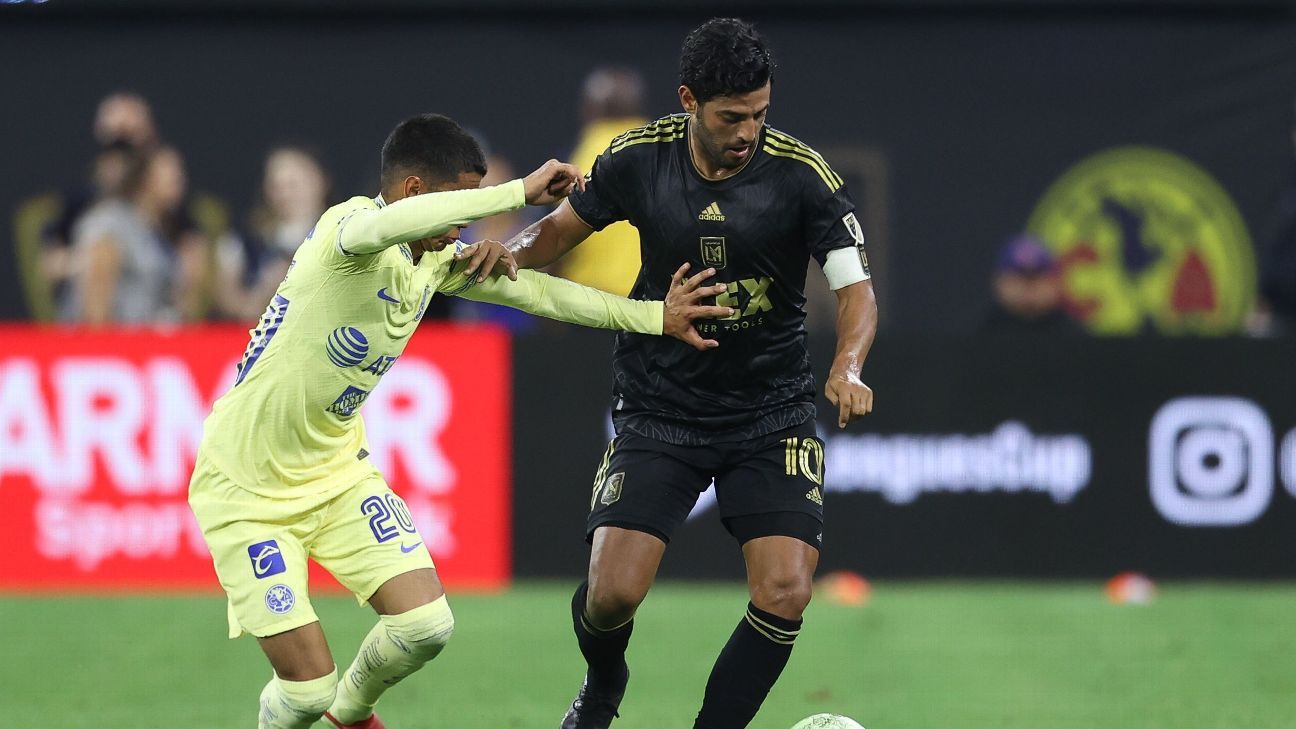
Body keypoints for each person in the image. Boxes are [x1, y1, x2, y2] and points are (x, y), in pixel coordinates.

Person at [187, 113, 731, 729]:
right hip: (245, 488)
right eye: (460, 207)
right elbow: (390, 225)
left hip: (334, 472)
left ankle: (351, 716)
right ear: (415, 190)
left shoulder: (434, 262)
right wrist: (517, 191)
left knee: (425, 626)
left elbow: (540, 293)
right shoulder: (347, 229)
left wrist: (655, 316)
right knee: (304, 692)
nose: (464, 228)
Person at [507, 18, 878, 729]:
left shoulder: (803, 176)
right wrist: (516, 252)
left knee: (786, 589)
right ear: (688, 101)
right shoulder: (636, 160)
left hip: (770, 410)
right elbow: (558, 230)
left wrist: (849, 364)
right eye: (732, 116)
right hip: (660, 405)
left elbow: (856, 288)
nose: (749, 131)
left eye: (761, 114)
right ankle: (603, 687)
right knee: (610, 594)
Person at [61, 144, 203, 325]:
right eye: (171, 176)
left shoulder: (160, 231)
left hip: (149, 345)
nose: (179, 181)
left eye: (180, 176)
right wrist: (103, 348)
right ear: (145, 179)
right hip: (114, 346)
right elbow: (95, 306)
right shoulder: (111, 222)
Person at [553, 67, 649, 297]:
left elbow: (562, 227)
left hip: (593, 296)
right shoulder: (659, 144)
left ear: (592, 108)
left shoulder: (593, 148)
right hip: (650, 295)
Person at [215, 146, 331, 321]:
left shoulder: (344, 236)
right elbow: (229, 304)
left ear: (320, 181)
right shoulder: (243, 243)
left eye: (293, 184)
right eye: (277, 186)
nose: (286, 194)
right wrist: (264, 290)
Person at [979, 234, 1083, 336]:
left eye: (1038, 275)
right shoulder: (977, 337)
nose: (1028, 286)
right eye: (1019, 276)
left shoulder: (1078, 340)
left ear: (1055, 282)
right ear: (998, 282)